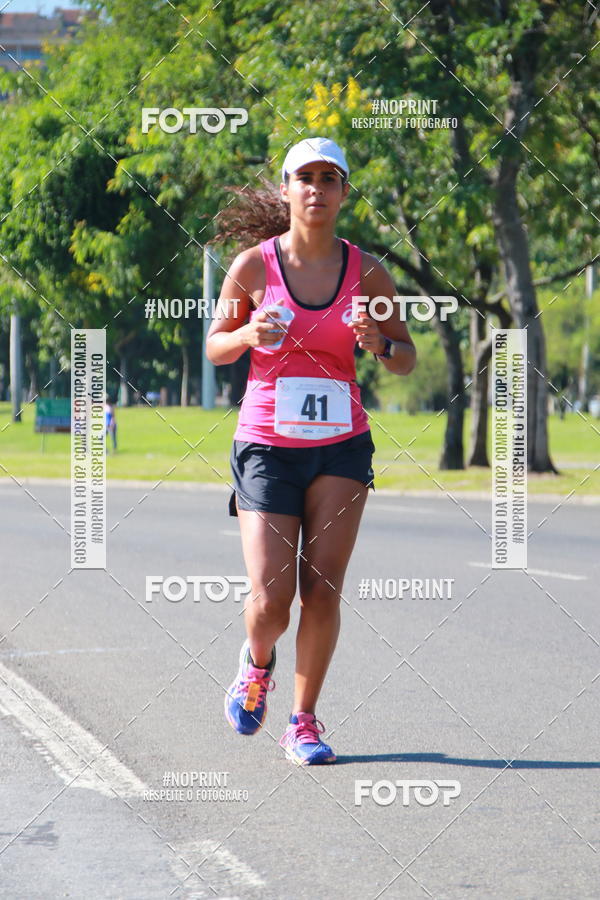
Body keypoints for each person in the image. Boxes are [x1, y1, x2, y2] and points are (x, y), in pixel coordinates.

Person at [206, 137, 416, 765]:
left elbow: (406, 359)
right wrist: (247, 331)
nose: (317, 189)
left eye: (330, 178)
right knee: (271, 601)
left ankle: (303, 721)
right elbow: (216, 348)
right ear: (287, 189)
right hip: (268, 445)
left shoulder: (367, 272)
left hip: (341, 446)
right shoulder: (252, 268)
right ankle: (257, 662)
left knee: (321, 590)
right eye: (306, 177)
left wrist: (377, 340)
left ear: (344, 192)